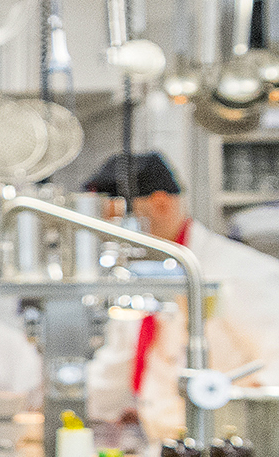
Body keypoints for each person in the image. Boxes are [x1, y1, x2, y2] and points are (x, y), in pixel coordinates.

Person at [78, 151, 279, 442]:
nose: (110, 237)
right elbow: (117, 364)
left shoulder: (242, 273)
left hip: (228, 456)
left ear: (160, 204)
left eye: (117, 223)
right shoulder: (142, 274)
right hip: (163, 452)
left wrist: (232, 408)